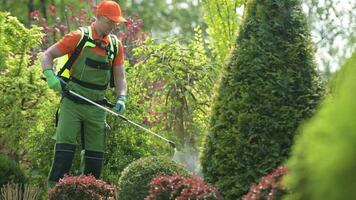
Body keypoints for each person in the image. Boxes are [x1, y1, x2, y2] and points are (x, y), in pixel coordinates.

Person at [41, 0, 127, 188]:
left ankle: (89, 194)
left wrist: (122, 97)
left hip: (97, 108)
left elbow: (120, 77)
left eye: (116, 23)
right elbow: (46, 55)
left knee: (94, 160)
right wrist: (50, 76)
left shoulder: (115, 46)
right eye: (111, 21)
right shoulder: (78, 37)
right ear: (100, 17)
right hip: (72, 102)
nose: (114, 26)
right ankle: (53, 193)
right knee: (64, 154)